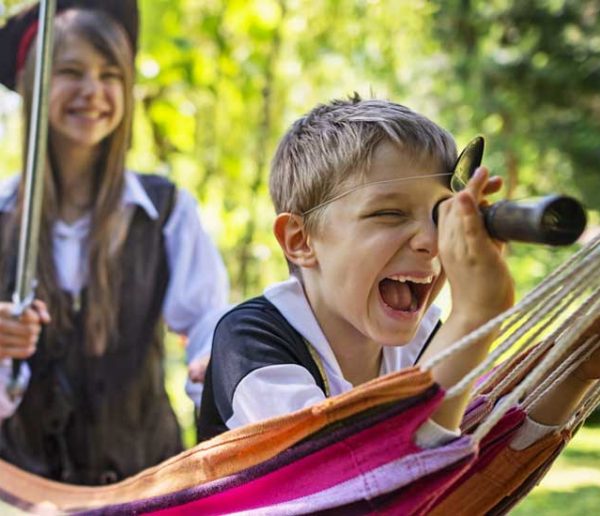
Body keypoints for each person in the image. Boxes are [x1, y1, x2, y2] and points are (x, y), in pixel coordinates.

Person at [197, 96, 600, 448]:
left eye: (442, 216)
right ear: (301, 241)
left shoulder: (425, 342)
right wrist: (475, 314)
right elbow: (355, 476)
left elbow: (494, 448)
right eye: (389, 213)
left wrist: (578, 367)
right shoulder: (250, 341)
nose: (430, 240)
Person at [0, 1, 229, 485]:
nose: (93, 91)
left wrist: (219, 367)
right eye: (71, 71)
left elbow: (207, 324)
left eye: (109, 74)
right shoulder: (2, 216)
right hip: (20, 489)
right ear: (34, 85)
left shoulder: (166, 212)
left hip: (145, 483)